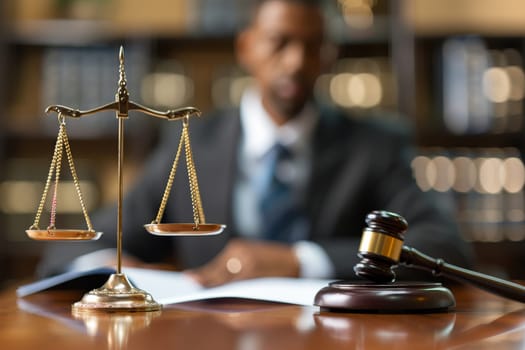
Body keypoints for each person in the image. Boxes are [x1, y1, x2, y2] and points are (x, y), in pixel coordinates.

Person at [37, 0, 474, 286]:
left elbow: (445, 247)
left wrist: (299, 261)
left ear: (329, 56)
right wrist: (112, 269)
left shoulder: (373, 147)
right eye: (280, 42)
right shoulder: (189, 144)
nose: (296, 62)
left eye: (312, 46)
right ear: (246, 48)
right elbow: (77, 245)